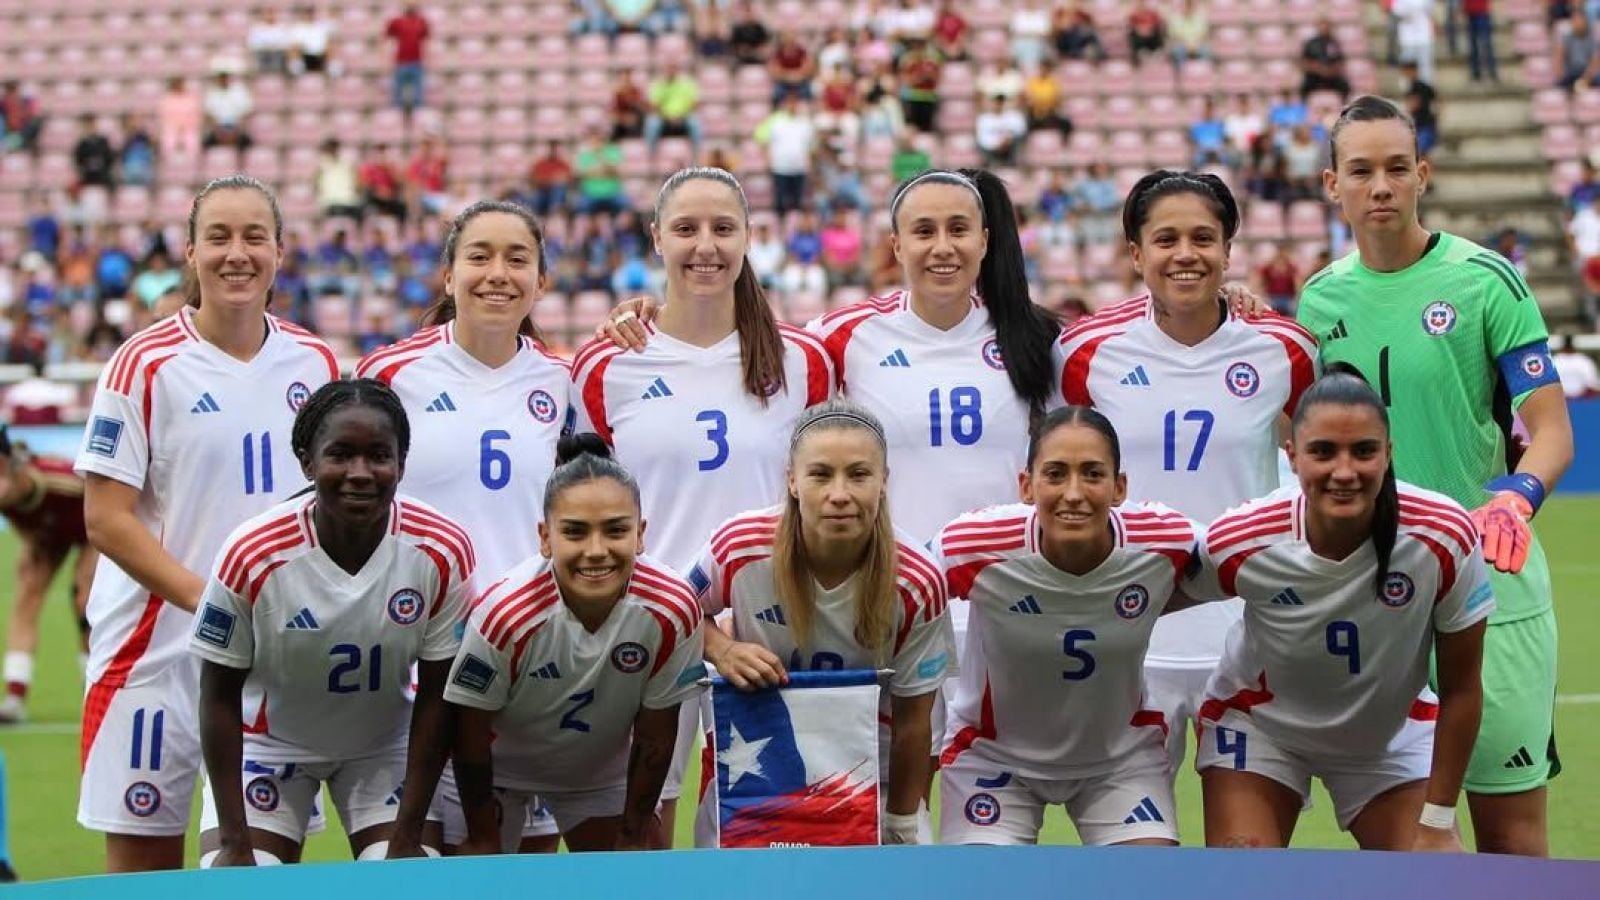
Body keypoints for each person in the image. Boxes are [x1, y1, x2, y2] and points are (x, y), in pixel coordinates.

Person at [1297, 95, 1575, 856]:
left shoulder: (1488, 281)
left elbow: (1551, 430)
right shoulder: (1320, 300)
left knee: (1511, 840)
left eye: (1395, 168)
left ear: (1423, 175)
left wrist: (1513, 503)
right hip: (1379, 601)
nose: (1379, 185)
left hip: (1491, 590)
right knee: (1409, 845)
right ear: (1333, 186)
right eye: (1361, 171)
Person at [74, 176, 339, 872]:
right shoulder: (143, 363)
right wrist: (216, 603)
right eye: (218, 237)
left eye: (255, 236)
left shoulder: (316, 364)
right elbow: (105, 518)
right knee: (142, 876)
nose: (236, 253)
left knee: (253, 871)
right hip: (154, 656)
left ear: (281, 251)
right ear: (190, 252)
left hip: (273, 663)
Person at [571, 167, 833, 843]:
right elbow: (593, 515)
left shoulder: (805, 360)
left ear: (751, 236)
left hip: (770, 635)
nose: (705, 245)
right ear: (657, 238)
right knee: (643, 835)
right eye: (686, 228)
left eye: (724, 227)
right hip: (647, 631)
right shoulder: (605, 366)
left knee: (768, 845)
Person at [1054, 170, 1319, 781]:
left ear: (1228, 250)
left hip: (1249, 630)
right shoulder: (1085, 352)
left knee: (1244, 846)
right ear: (1135, 252)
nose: (1185, 255)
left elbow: (1318, 462)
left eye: (1204, 238)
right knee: (1139, 845)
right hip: (1132, 631)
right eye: (1166, 239)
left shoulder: (1286, 348)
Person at [1194, 368, 1489, 851]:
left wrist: (1436, 821)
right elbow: (1155, 595)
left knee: (1435, 882)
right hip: (1261, 730)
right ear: (1292, 456)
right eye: (1323, 451)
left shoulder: (1443, 535)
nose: (1345, 472)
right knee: (1241, 883)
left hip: (1390, 735)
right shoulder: (1241, 539)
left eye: (1365, 451)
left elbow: (1461, 689)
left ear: (1389, 453)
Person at [358, 201, 572, 852]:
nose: (497, 273)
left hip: (529, 667)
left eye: (517, 258)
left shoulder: (564, 382)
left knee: (518, 872)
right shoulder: (389, 375)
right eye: (479, 256)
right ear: (448, 275)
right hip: (413, 669)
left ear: (542, 283)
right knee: (418, 866)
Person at [192, 379, 471, 865]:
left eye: (378, 456)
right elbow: (217, 695)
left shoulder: (442, 549)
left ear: (402, 464)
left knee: (404, 883)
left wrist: (407, 835)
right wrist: (234, 844)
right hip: (269, 745)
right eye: (340, 454)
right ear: (307, 462)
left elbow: (438, 695)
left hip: (383, 746)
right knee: (239, 888)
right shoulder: (252, 553)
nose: (360, 473)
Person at [388, 436, 704, 854]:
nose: (596, 551)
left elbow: (656, 734)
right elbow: (469, 727)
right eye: (574, 532)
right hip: (495, 774)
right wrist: (484, 835)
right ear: (544, 537)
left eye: (616, 530)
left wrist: (632, 835)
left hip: (597, 774)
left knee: (629, 882)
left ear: (641, 534)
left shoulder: (673, 607)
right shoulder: (505, 614)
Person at [936, 406, 1215, 845]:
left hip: (1120, 762)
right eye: (1055, 474)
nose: (1074, 493)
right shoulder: (971, 544)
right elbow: (899, 588)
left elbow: (1246, 558)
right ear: (1026, 486)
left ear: (1120, 487)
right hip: (992, 759)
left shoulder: (1166, 540)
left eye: (1092, 473)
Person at [689, 401, 953, 844]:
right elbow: (677, 612)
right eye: (820, 474)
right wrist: (723, 648)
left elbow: (913, 721)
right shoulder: (740, 545)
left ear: (883, 482)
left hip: (871, 773)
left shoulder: (917, 578)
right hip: (758, 769)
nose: (839, 493)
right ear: (792, 480)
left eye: (859, 474)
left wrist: (903, 821)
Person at [0, 426, 96, 724]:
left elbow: (105, 508)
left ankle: (91, 690)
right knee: (28, 592)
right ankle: (15, 697)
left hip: (93, 531)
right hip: (47, 534)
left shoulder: (61, 481)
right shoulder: (12, 490)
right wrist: (35, 542)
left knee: (85, 600)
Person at [385, 4, 431, 115]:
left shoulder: (421, 22)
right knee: (397, 93)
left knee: (418, 94)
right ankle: (396, 117)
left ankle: (418, 117)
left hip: (416, 61)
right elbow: (387, 34)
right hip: (401, 61)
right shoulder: (397, 21)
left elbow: (427, 37)